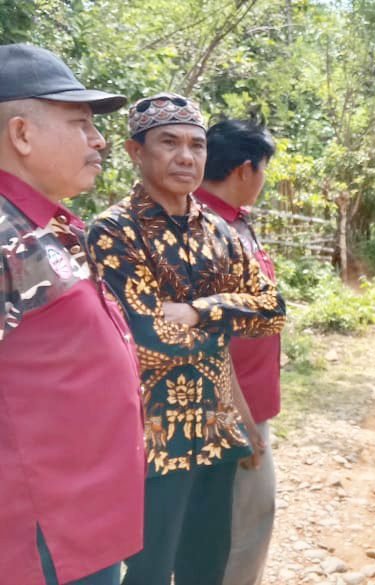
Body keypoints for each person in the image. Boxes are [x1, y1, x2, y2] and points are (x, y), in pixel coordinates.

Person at [86, 93, 286, 584]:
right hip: (150, 439)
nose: (186, 156)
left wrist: (200, 311)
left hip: (216, 432)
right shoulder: (114, 232)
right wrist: (225, 322)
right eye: (169, 142)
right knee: (149, 571)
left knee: (206, 566)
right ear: (136, 152)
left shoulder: (220, 231)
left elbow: (273, 313)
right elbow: (148, 338)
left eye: (196, 145)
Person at [0, 42, 144, 585]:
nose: (99, 138)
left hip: (79, 524)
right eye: (81, 123)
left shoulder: (48, 225)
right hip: (34, 538)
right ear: (22, 134)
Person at [193, 119, 280, 585]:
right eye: (263, 169)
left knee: (242, 519)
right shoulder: (204, 229)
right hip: (228, 407)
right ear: (245, 169)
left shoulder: (236, 221)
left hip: (249, 399)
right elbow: (205, 333)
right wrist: (240, 415)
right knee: (242, 525)